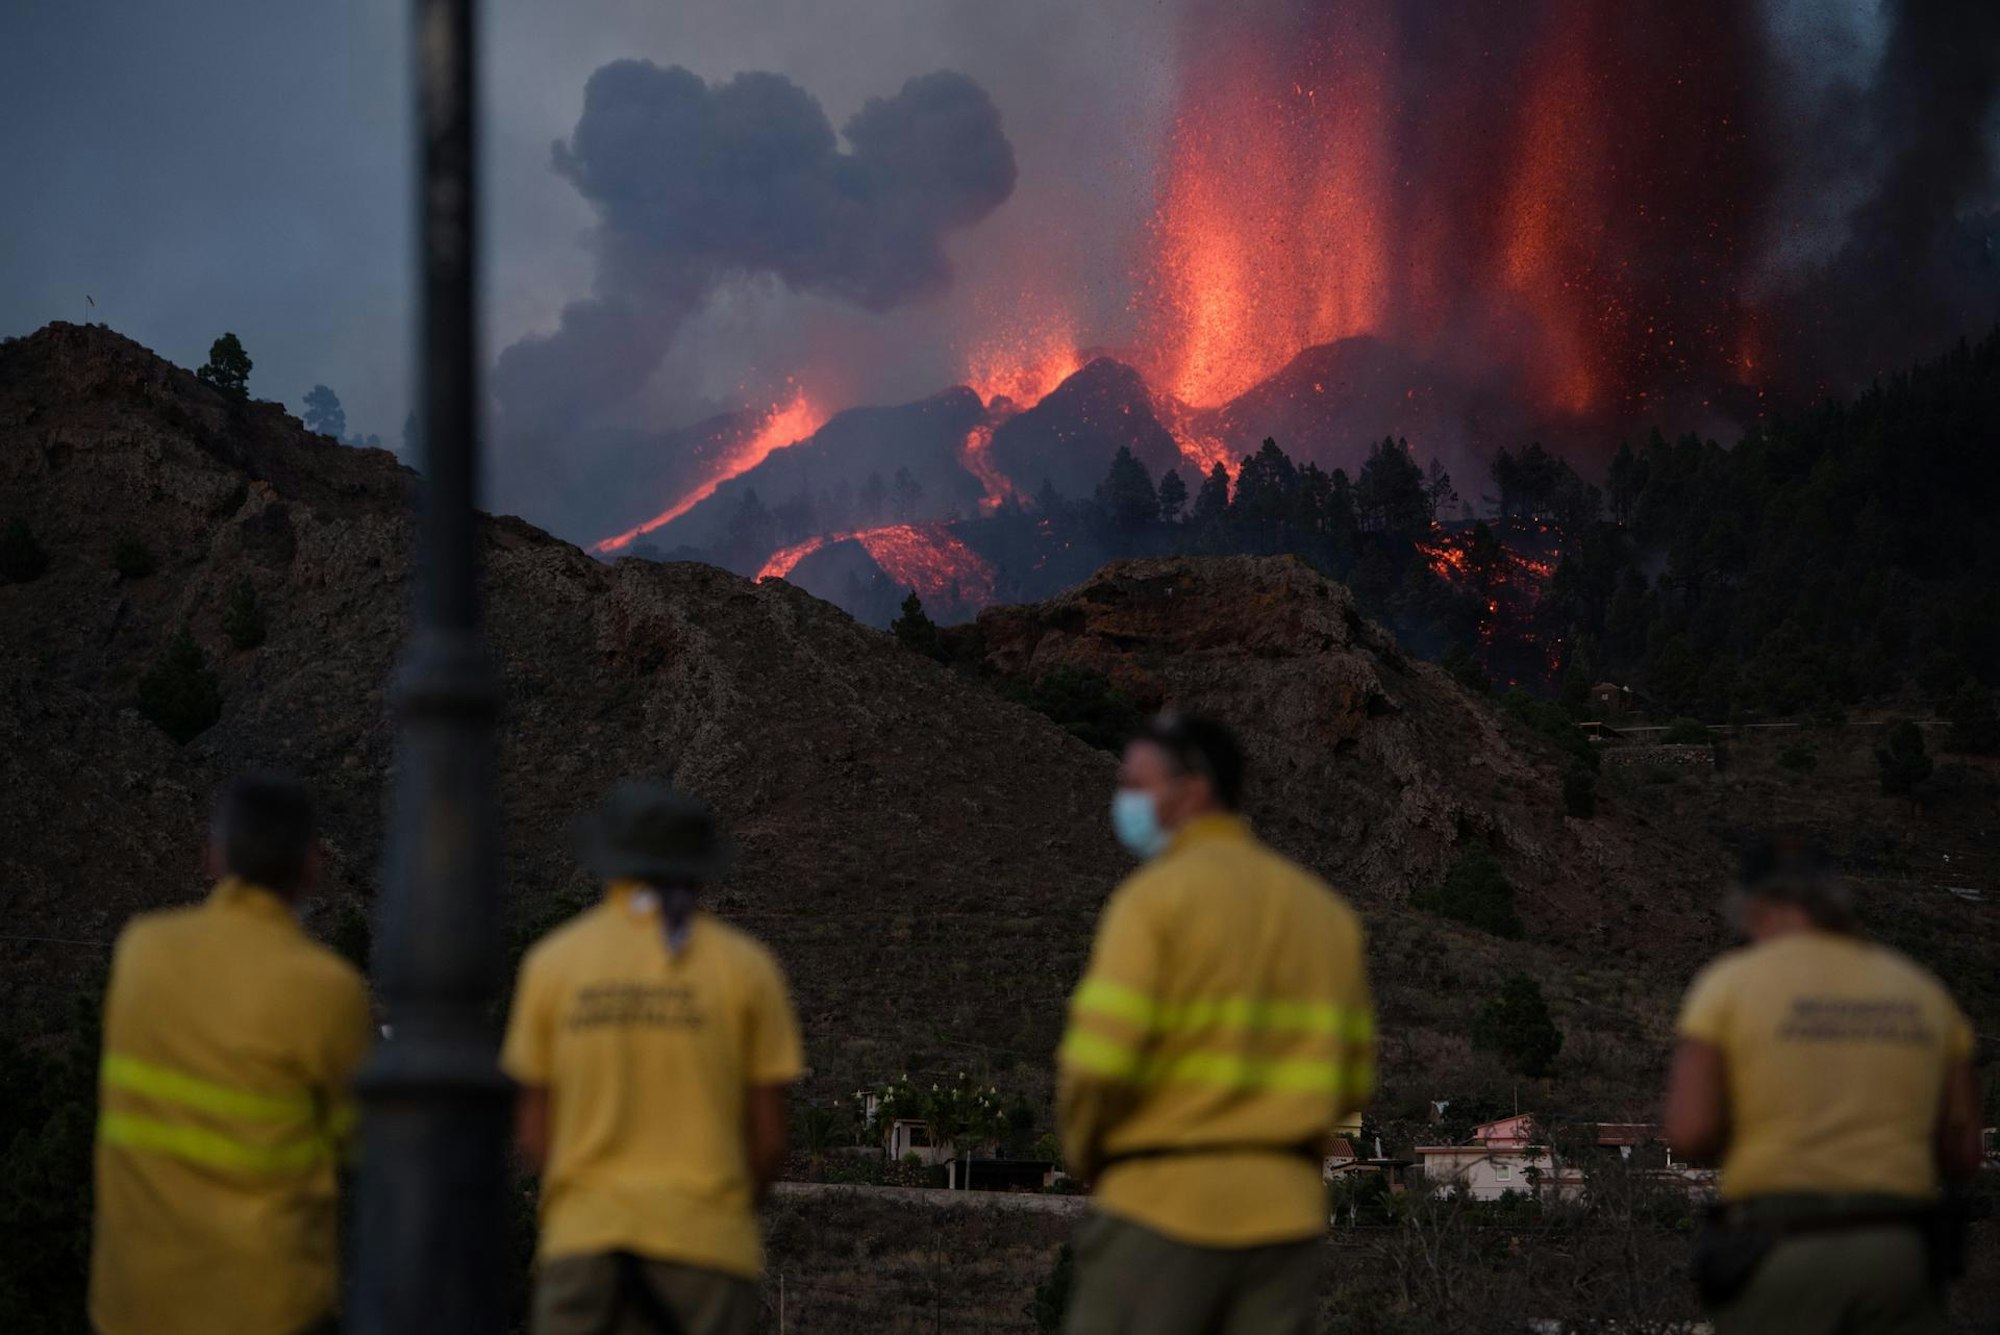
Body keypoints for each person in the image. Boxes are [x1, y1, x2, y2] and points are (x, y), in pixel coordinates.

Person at [1058, 713, 1375, 1335]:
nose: (1123, 801)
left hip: (1161, 1211)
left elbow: (1096, 1067)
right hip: (1283, 1230)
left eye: (1136, 784)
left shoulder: (1153, 903)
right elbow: (1351, 1083)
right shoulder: (1326, 916)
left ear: (1194, 789)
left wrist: (1086, 1156)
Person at [502, 780, 805, 1335]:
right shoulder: (747, 970)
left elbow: (534, 1131)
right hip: (707, 1256)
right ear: (699, 865)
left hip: (584, 1250)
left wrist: (589, 1205)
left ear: (611, 860)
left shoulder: (552, 965)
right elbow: (769, 1140)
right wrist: (721, 1213)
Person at [1664, 837, 1985, 1335]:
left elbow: (1690, 1130)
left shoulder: (1729, 984)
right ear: (1838, 901)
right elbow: (1963, 1154)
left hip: (1781, 1249)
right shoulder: (1923, 991)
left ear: (1752, 907)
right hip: (1900, 1254)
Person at [90, 772, 373, 1335]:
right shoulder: (328, 989)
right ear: (313, 865)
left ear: (213, 858)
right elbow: (363, 1142)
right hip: (267, 1306)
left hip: (135, 1303)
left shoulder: (141, 951)